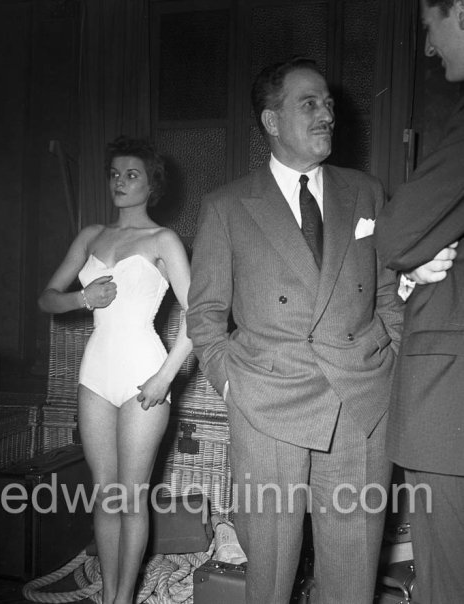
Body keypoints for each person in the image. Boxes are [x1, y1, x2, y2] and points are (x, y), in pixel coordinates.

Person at [186, 58, 404, 604]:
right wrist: (233, 384)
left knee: (353, 575)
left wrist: (391, 361)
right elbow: (206, 317)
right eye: (309, 103)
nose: (326, 113)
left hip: (359, 401)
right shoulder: (227, 206)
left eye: (328, 102)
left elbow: (387, 293)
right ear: (271, 121)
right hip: (267, 404)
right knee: (271, 574)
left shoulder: (367, 192)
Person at [38, 136, 192, 604]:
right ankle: (108, 596)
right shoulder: (90, 235)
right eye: (114, 174)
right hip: (95, 375)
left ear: (152, 185)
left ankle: (124, 598)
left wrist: (165, 377)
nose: (120, 182)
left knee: (131, 494)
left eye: (132, 175)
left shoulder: (163, 240)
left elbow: (198, 315)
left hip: (145, 373)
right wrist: (83, 299)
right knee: (105, 494)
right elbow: (47, 298)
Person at [374, 1, 464, 601]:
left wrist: (414, 253)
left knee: (447, 577)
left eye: (432, 28)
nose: (430, 49)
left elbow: (398, 230)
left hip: (450, 400)